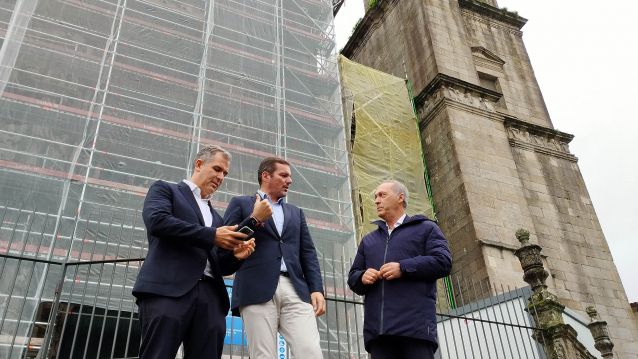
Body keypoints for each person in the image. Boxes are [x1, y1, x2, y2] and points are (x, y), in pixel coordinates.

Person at [132, 145, 272, 359]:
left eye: (224, 173)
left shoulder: (216, 217)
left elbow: (220, 263)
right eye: (217, 169)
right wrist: (212, 235)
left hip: (210, 298)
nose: (221, 176)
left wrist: (236, 257)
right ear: (199, 164)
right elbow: (157, 222)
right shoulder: (165, 190)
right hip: (168, 291)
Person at [221, 157, 325, 359]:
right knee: (263, 355)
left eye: (290, 176)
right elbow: (228, 241)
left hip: (295, 288)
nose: (290, 180)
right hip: (256, 287)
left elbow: (308, 253)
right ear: (266, 176)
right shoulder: (241, 203)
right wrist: (255, 218)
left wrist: (316, 289)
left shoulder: (296, 212)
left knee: (310, 352)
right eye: (284, 175)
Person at [348, 180, 452, 359]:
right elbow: (353, 277)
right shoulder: (369, 240)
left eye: (382, 195)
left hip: (415, 331)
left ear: (400, 198)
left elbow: (443, 261)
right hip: (379, 335)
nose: (376, 200)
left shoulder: (426, 228)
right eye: (375, 197)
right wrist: (362, 277)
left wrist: (403, 267)